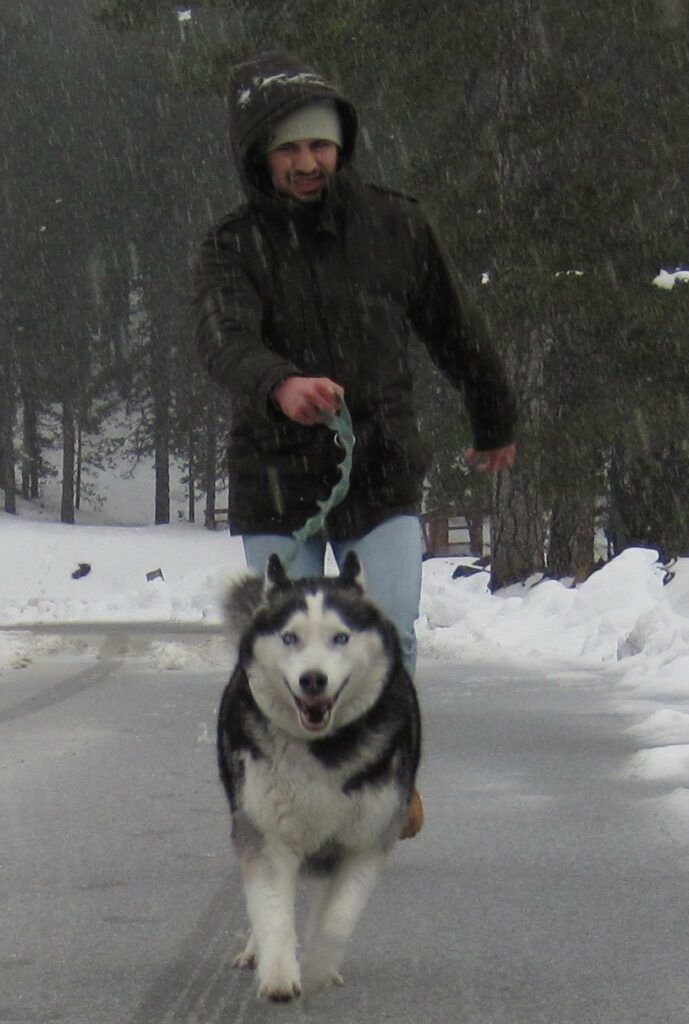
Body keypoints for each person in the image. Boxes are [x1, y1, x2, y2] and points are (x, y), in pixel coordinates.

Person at [194, 52, 517, 679]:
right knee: (283, 650)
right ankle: (298, 774)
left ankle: (385, 773)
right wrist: (280, 383)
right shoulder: (231, 246)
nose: (309, 163)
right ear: (259, 154)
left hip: (380, 466)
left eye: (321, 144)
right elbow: (223, 337)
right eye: (290, 149)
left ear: (343, 144)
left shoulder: (397, 224)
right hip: (275, 476)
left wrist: (494, 416)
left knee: (385, 637)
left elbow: (455, 329)